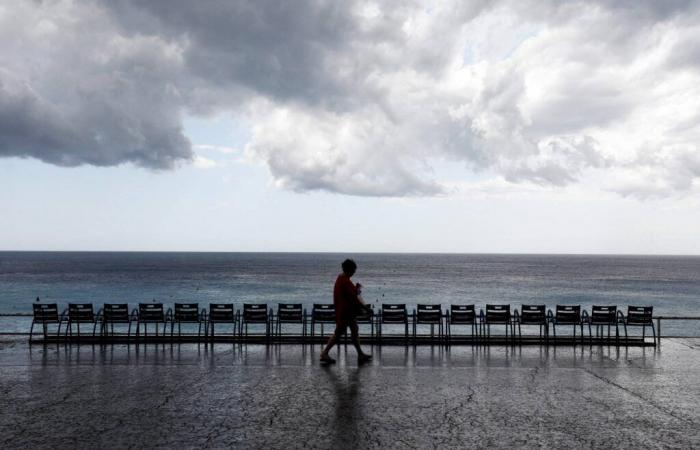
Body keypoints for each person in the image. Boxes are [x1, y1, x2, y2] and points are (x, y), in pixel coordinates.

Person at [320, 259, 372, 364]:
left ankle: (360, 354)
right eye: (353, 270)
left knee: (354, 331)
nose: (354, 272)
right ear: (349, 269)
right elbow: (353, 298)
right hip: (346, 312)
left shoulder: (341, 278)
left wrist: (355, 290)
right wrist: (366, 308)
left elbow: (350, 294)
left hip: (346, 311)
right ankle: (324, 353)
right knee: (339, 333)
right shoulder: (345, 281)